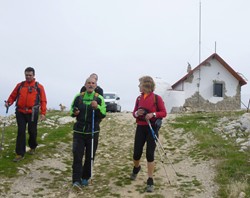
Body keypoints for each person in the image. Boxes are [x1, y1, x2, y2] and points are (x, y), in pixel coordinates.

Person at [131, 75, 167, 192]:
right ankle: (137, 168)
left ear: (146, 85)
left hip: (152, 128)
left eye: (140, 84)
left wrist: (153, 114)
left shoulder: (157, 98)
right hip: (141, 127)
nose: (138, 86)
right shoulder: (138, 99)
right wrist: (137, 113)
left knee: (149, 154)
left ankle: (150, 179)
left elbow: (163, 112)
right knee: (136, 153)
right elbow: (133, 113)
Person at [5, 67, 47, 162]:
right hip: (20, 112)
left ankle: (32, 146)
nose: (28, 77)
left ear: (34, 75)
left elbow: (43, 100)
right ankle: (19, 153)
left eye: (30, 75)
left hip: (33, 112)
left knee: (32, 131)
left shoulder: (39, 87)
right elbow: (13, 96)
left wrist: (43, 113)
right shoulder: (20, 85)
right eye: (26, 75)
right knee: (21, 131)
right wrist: (8, 102)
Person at [71, 76, 106, 188]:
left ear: (96, 86)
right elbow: (72, 109)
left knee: (90, 156)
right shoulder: (78, 97)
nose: (91, 85)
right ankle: (76, 180)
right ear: (85, 85)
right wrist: (74, 112)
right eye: (89, 83)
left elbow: (103, 113)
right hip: (79, 131)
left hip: (92, 131)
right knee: (77, 156)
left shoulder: (99, 98)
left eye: (93, 83)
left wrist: (98, 107)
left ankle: (85, 177)